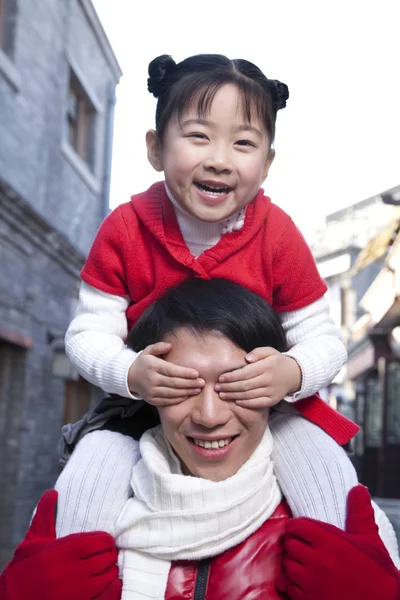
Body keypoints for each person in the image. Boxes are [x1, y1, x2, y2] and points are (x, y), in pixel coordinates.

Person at [64, 52, 359, 529]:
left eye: (244, 143)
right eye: (198, 136)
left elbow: (325, 340)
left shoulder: (278, 234)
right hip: (142, 403)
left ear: (266, 164)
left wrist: (292, 372)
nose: (219, 159)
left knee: (330, 483)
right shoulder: (124, 228)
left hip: (263, 409)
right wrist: (130, 372)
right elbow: (86, 334)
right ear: (156, 148)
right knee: (86, 481)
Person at [2, 279, 399, 600]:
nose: (209, 417)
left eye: (236, 385)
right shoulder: (81, 508)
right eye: (181, 386)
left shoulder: (339, 514)